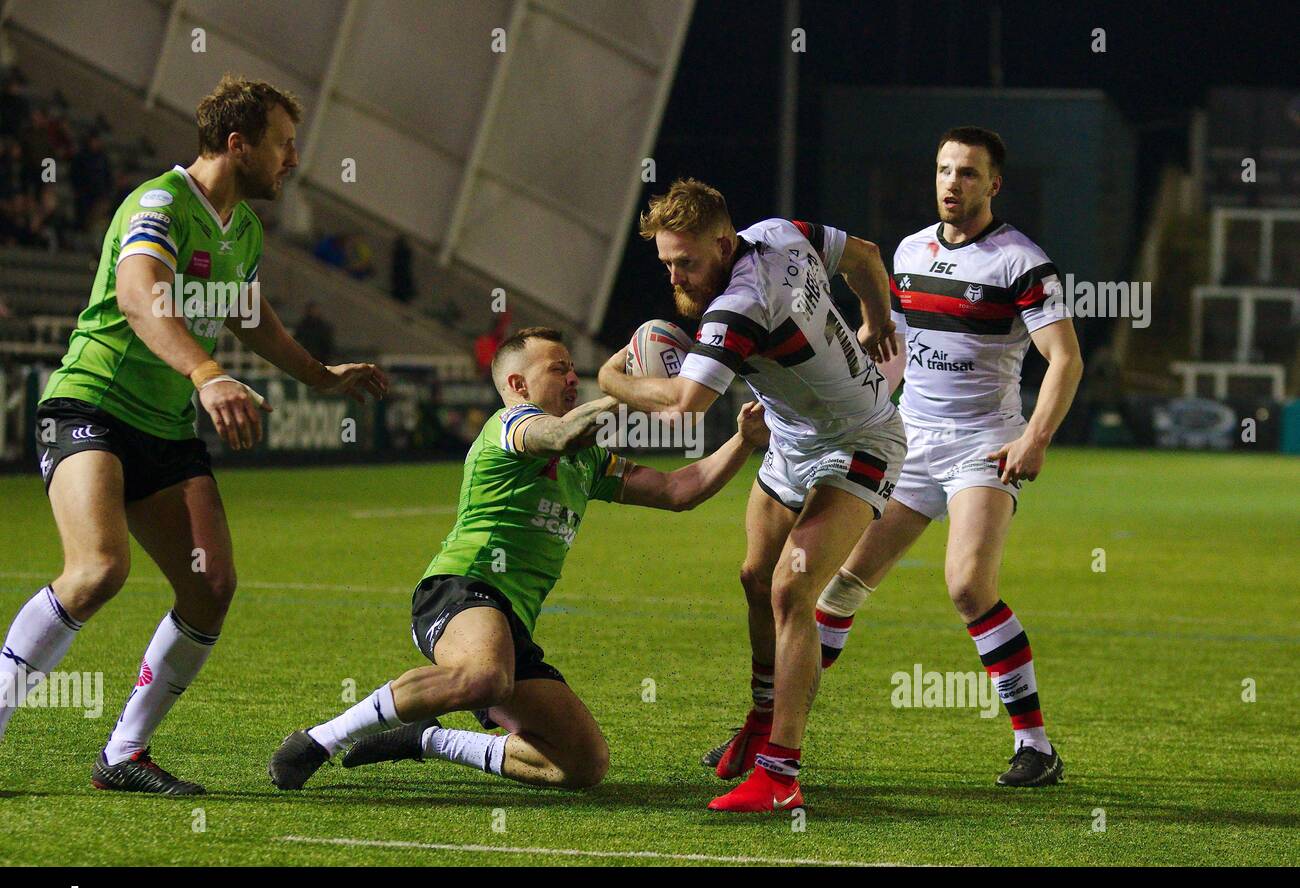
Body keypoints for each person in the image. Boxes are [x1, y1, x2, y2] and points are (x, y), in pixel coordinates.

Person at [0, 74, 389, 795]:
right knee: (98, 570)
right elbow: (140, 298)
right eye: (282, 144)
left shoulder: (242, 227)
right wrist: (208, 373)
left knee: (210, 585)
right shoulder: (158, 202)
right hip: (94, 403)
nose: (292, 160)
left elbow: (249, 314)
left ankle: (123, 754)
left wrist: (317, 375)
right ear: (237, 143)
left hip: (166, 429)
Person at [268, 326, 769, 792]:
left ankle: (425, 739)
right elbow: (561, 435)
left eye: (573, 367)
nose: (573, 376)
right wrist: (627, 387)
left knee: (581, 764)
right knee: (486, 676)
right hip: (462, 588)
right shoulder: (513, 425)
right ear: (517, 383)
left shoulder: (589, 458)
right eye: (558, 368)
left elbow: (676, 490)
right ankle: (320, 739)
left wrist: (743, 442)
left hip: (510, 625)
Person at [757, 127, 1083, 787]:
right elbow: (891, 353)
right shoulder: (908, 254)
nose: (952, 183)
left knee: (967, 585)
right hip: (910, 441)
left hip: (982, 446)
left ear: (994, 183)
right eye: (943, 170)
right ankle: (771, 737)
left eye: (967, 172)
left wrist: (1035, 438)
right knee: (840, 584)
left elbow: (1066, 359)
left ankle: (1037, 746)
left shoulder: (1021, 262)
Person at [597, 179, 905, 812]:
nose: (676, 277)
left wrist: (608, 375)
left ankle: (780, 775)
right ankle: (763, 718)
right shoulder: (780, 232)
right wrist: (874, 320)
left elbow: (683, 405)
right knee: (753, 574)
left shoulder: (738, 306)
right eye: (666, 263)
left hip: (861, 440)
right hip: (791, 436)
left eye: (686, 262)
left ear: (722, 242)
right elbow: (868, 256)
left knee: (792, 588)